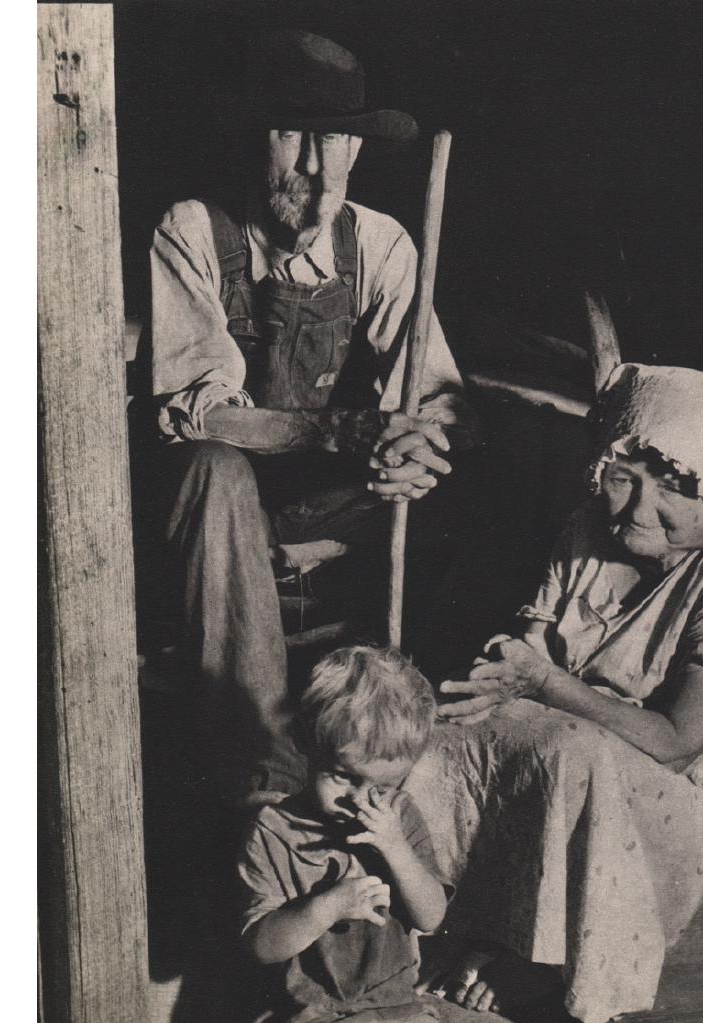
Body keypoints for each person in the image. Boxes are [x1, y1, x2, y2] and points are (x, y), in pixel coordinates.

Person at [403, 362, 703, 1023]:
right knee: (429, 732)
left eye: (673, 485)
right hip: (566, 737)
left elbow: (676, 746)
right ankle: (442, 924)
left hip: (675, 799)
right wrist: (492, 682)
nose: (637, 509)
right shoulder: (593, 526)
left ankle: (536, 956)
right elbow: (530, 648)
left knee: (567, 750)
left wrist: (543, 683)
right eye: (622, 480)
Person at [143, 30, 477, 799]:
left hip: (330, 505)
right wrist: (337, 430)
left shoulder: (382, 243)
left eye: (332, 140)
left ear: (356, 152)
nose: (313, 167)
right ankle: (259, 764)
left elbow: (447, 400)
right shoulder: (194, 229)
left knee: (496, 471)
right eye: (291, 136)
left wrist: (418, 443)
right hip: (225, 515)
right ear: (255, 139)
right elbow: (200, 417)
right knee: (214, 469)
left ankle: (417, 749)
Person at [237, 647, 474, 1023]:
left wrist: (395, 849)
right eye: (344, 778)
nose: (362, 802)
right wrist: (326, 907)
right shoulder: (272, 832)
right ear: (304, 743)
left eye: (382, 787)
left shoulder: (399, 818)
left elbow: (431, 917)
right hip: (310, 1010)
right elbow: (261, 945)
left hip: (395, 1001)